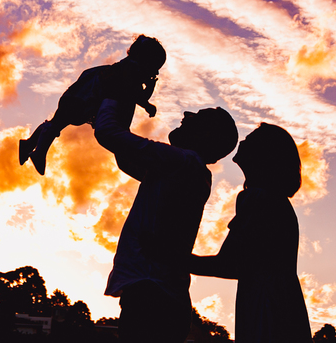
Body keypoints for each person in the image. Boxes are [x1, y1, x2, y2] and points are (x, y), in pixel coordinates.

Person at [94, 96, 239, 343]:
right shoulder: (185, 168)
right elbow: (122, 151)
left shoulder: (182, 161)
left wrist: (112, 95)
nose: (186, 114)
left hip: (151, 293)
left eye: (198, 117)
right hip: (158, 294)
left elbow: (109, 133)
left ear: (206, 136)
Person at [189, 123, 312, 343]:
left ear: (265, 154)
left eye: (251, 138)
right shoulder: (275, 201)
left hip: (266, 309)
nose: (243, 141)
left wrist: (169, 257)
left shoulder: (258, 198)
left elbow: (229, 264)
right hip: (283, 308)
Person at [18, 35, 165, 175]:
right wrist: (149, 94)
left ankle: (30, 144)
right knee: (59, 122)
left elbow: (132, 94)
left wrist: (146, 102)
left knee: (58, 122)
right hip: (85, 97)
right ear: (145, 60)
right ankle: (39, 152)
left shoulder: (126, 68)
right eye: (154, 66)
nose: (154, 72)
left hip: (84, 93)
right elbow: (133, 94)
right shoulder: (131, 70)